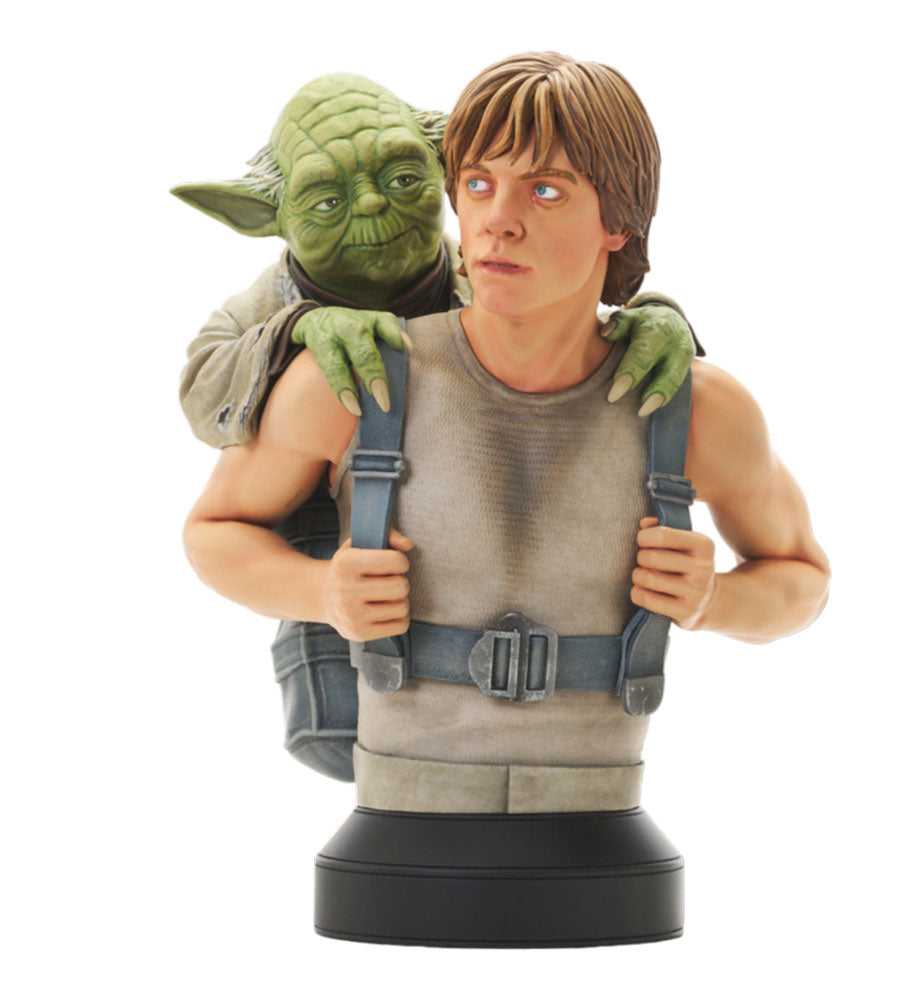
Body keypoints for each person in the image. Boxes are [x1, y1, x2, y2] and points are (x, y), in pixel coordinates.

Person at [184, 51, 829, 941]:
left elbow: (802, 579)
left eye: (547, 191)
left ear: (619, 220)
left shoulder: (696, 405)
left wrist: (715, 599)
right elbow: (216, 530)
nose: (497, 221)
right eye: (478, 185)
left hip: (599, 814)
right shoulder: (356, 380)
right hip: (402, 807)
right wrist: (319, 589)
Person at [174, 72, 701, 778]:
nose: (372, 208)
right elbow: (204, 396)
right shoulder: (288, 348)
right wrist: (297, 329)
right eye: (327, 199)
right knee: (342, 711)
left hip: (493, 543)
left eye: (402, 179)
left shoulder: (484, 269)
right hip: (341, 545)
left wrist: (655, 316)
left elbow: (570, 315)